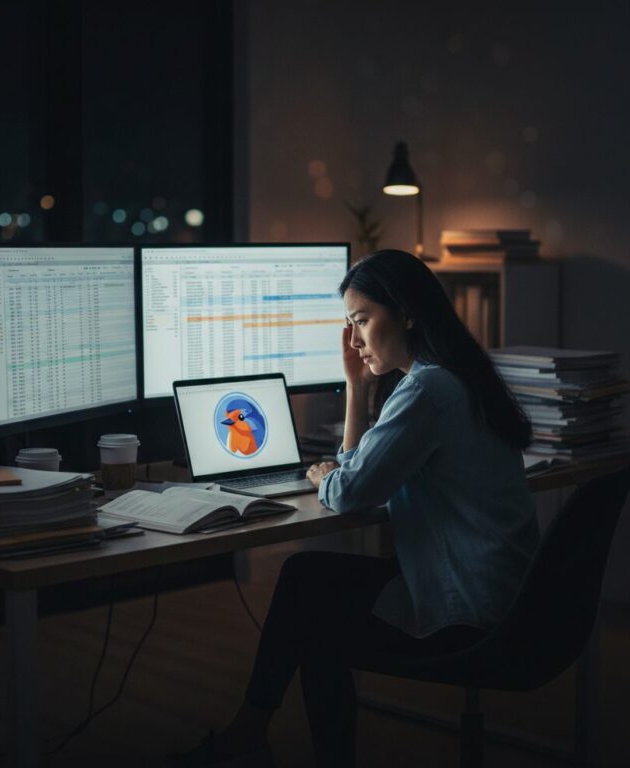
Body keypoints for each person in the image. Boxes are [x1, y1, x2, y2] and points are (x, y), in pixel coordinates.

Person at [169, 249, 540, 767]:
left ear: (406, 312)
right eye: (350, 324)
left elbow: (347, 492)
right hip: (511, 597)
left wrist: (328, 474)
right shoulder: (456, 375)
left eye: (362, 320)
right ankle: (250, 731)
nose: (355, 339)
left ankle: (256, 735)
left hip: (468, 612)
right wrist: (357, 388)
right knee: (304, 574)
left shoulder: (427, 390)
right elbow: (361, 476)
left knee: (314, 623)